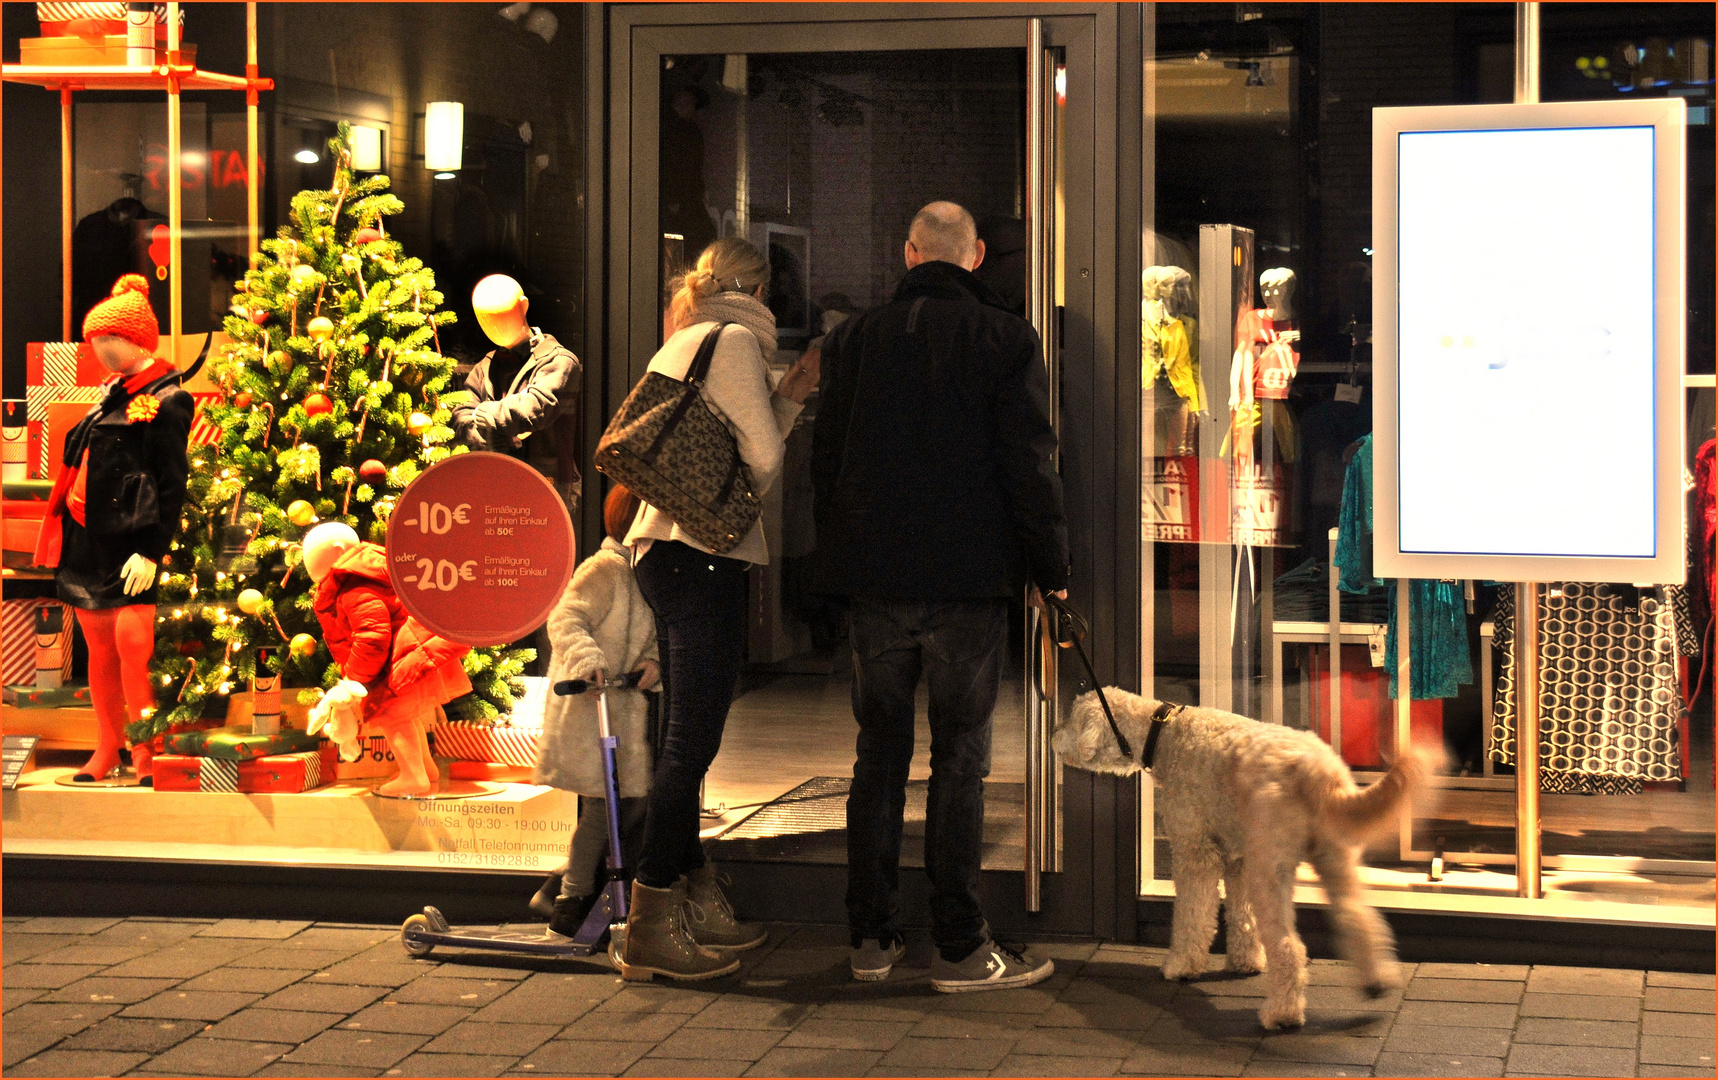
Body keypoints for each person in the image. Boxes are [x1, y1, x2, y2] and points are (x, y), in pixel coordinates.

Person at [812, 201, 1069, 992]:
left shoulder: (853, 339)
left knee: (877, 755)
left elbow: (828, 459)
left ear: (909, 251)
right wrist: (1049, 570)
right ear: (978, 256)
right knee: (961, 758)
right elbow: (1029, 463)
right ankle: (960, 944)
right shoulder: (1004, 339)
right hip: (968, 581)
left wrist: (836, 565)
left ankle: (871, 938)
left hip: (878, 581)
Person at [615, 236, 820, 982]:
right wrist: (789, 405)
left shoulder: (688, 336)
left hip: (665, 550)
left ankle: (689, 901)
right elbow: (762, 459)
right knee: (690, 742)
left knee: (682, 733)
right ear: (761, 294)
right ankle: (650, 922)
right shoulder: (732, 341)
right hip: (701, 553)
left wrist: (783, 395)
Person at [33, 274, 194, 786]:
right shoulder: (105, 398)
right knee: (97, 649)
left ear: (138, 340)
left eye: (112, 341)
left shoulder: (168, 400)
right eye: (97, 342)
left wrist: (151, 550)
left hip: (131, 541)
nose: (102, 351)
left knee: (132, 648)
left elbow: (172, 484)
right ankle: (107, 746)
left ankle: (145, 751)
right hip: (88, 539)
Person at [530, 484, 661, 940]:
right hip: (590, 708)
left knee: (631, 802)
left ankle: (567, 887)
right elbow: (566, 618)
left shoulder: (642, 574)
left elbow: (647, 637)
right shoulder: (605, 569)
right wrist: (590, 664)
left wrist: (652, 664)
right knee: (604, 809)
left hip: (621, 709)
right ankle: (568, 896)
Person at [449, 274, 582, 508]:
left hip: (545, 493)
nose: (494, 326)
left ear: (524, 306)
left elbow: (532, 410)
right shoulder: (486, 366)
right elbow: (460, 417)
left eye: (501, 316)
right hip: (493, 491)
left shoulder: (559, 361)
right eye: (485, 319)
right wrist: (500, 437)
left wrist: (482, 415)